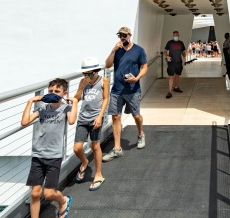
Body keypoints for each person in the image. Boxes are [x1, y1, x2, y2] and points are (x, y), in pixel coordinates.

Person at [21, 78, 78, 218]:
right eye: (50, 91)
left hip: (54, 156)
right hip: (38, 154)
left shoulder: (66, 108)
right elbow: (24, 122)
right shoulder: (42, 108)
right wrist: (30, 102)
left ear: (64, 93)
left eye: (57, 91)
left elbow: (71, 121)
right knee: (35, 193)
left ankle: (63, 200)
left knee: (48, 194)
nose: (53, 93)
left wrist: (75, 103)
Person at [102, 26, 148, 162]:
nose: (122, 38)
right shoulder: (117, 50)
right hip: (117, 89)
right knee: (116, 117)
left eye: (124, 35)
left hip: (133, 89)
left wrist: (137, 77)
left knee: (136, 115)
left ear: (130, 35)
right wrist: (113, 50)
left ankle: (141, 133)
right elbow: (108, 65)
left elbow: (144, 66)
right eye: (120, 35)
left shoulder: (138, 50)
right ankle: (117, 149)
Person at [73, 57, 109, 191]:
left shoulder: (103, 80)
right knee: (77, 148)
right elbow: (76, 99)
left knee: (95, 146)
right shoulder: (83, 81)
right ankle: (84, 162)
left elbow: (106, 99)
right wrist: (82, 87)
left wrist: (100, 116)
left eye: (87, 73)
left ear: (94, 71)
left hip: (95, 118)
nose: (85, 75)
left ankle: (98, 174)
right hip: (83, 118)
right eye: (84, 73)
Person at [164, 30, 186, 99]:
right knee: (171, 76)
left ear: (179, 35)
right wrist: (167, 56)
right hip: (171, 62)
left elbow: (183, 51)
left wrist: (184, 57)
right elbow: (165, 51)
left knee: (177, 75)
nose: (175, 36)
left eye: (176, 35)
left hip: (179, 62)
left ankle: (176, 87)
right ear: (173, 36)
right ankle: (170, 92)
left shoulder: (181, 43)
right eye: (174, 35)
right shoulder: (169, 43)